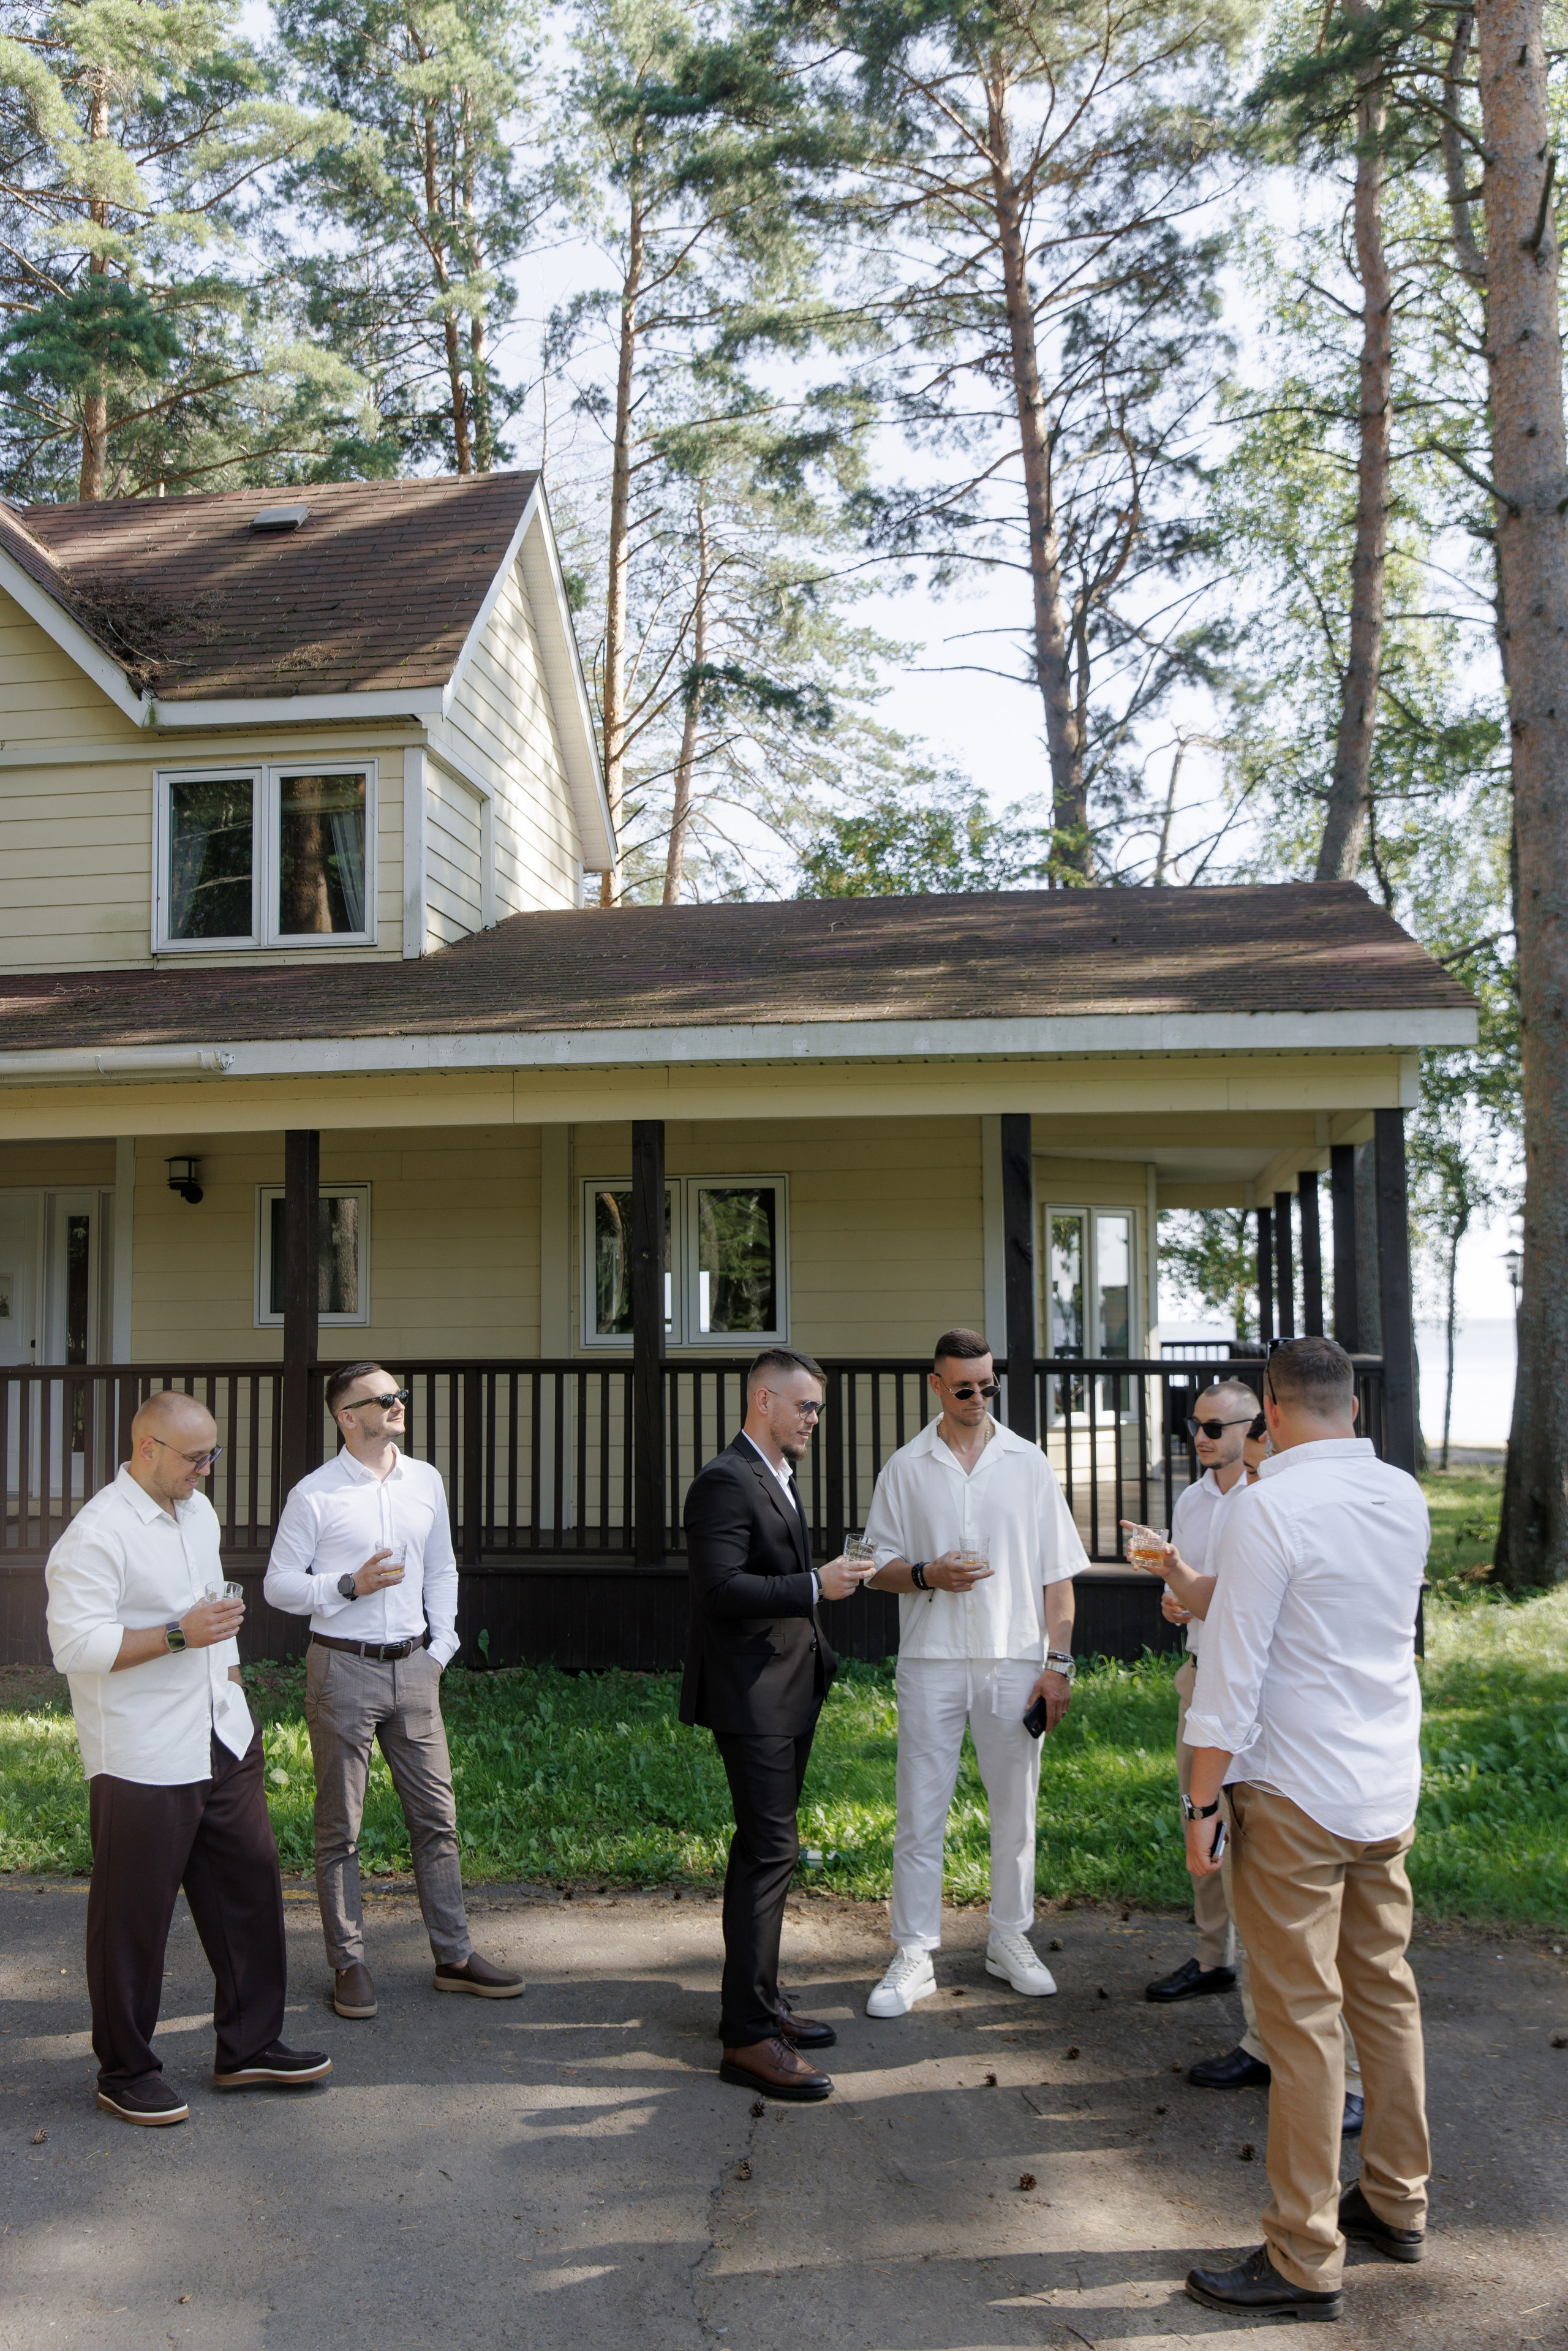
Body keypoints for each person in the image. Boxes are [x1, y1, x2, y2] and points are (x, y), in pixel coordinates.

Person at [1177, 1335, 1431, 2323]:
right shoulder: (1403, 1496)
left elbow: (1232, 1677)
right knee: (1385, 1994)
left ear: (1272, 1414)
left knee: (1302, 2021)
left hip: (1292, 1792)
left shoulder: (1268, 1505)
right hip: (1383, 1785)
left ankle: (1303, 2251)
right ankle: (1399, 2201)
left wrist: (1202, 1801)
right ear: (1353, 1409)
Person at [45, 1389, 330, 2126]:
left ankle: (249, 2044)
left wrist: (229, 1683)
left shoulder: (196, 1511)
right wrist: (178, 1635)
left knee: (249, 1888)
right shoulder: (95, 1534)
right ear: (147, 1449)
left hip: (221, 1733)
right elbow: (75, 1648)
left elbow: (214, 1611)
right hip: (141, 1750)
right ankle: (125, 2069)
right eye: (197, 1457)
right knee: (133, 1916)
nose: (208, 1469)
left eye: (214, 1454)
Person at [264, 1364, 522, 2020]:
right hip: (341, 1667)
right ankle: (348, 1962)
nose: (399, 1403)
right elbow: (278, 1585)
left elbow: (442, 1567)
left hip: (413, 1668)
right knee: (338, 1827)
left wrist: (441, 1649)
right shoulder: (315, 1495)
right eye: (384, 1398)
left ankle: (454, 1956)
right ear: (347, 1417)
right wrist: (346, 1585)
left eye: (400, 1394)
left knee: (437, 1818)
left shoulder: (425, 1479)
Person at [1142, 1409, 1366, 2136]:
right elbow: (1218, 1606)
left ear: (1269, 1432)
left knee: (1327, 1937)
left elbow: (1256, 1650)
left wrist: (1201, 1798)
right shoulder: (1253, 1508)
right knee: (1258, 1910)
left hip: (1309, 1753)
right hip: (1254, 1736)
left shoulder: (1302, 1508)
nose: (1209, 1438)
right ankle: (1264, 2044)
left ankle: (1349, 2082)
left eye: (1244, 1431)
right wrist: (1177, 1574)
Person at [860, 1329, 1087, 2020]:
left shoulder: (1028, 1462)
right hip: (930, 1660)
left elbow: (1059, 1578)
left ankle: (1009, 1939)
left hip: (1015, 1658)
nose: (979, 1397)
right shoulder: (905, 1466)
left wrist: (1057, 1666)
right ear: (936, 1385)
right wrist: (929, 1573)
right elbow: (876, 1567)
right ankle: (913, 1952)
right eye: (965, 1387)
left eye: (989, 1385)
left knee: (1015, 1810)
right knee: (919, 1808)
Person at [680, 1346, 872, 2102]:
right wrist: (812, 1585)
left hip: (790, 1688)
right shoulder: (724, 1482)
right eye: (805, 1406)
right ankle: (745, 2039)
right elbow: (719, 1590)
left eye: (816, 1407)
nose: (814, 1419)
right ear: (763, 1400)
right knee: (769, 1851)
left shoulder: (775, 1477)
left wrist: (819, 1587)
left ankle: (755, 2003)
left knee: (767, 1851)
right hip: (751, 1697)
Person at [1142, 1381, 1256, 2011]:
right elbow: (1193, 1591)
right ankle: (1214, 1955)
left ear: (1251, 1428)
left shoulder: (1264, 1498)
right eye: (1196, 1425)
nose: (1203, 1437)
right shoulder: (1189, 1499)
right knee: (1198, 1813)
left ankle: (1265, 1976)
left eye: (1217, 1426)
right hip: (1197, 1673)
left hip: (1249, 1685)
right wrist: (1175, 1603)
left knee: (1253, 1830)